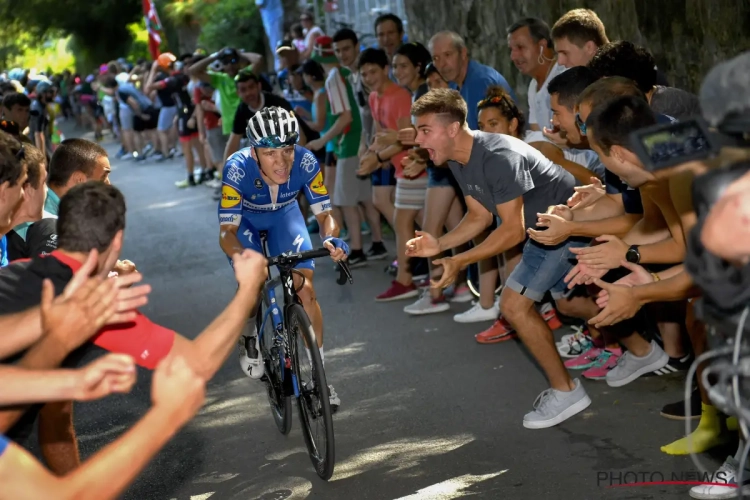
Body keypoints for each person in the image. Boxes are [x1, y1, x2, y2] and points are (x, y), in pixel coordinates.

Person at [0, 182, 268, 474]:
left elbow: (55, 416)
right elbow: (197, 362)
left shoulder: (19, 267)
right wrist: (249, 289)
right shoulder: (94, 301)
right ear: (117, 241)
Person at [406, 89, 592, 429]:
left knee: (514, 306)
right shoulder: (459, 158)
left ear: (452, 129)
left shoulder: (496, 156)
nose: (418, 141)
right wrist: (440, 244)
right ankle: (643, 349)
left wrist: (460, 261)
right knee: (569, 306)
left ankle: (567, 391)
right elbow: (478, 215)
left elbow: (511, 232)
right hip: (546, 230)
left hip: (569, 225)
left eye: (424, 130)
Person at [218, 106, 348, 410]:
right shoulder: (236, 167)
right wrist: (241, 258)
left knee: (305, 289)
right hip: (246, 222)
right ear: (254, 152)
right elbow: (226, 232)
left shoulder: (305, 160)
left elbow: (325, 213)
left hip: (285, 216)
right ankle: (249, 333)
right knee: (254, 280)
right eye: (270, 153)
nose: (282, 162)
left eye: (287, 150)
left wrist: (330, 237)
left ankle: (320, 376)